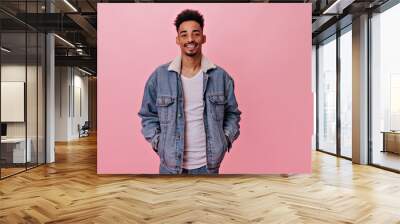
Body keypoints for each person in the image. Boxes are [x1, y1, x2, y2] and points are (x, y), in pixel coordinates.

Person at [138, 9, 241, 174]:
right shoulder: (159, 76)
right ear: (177, 39)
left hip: (208, 166)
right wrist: (160, 143)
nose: (190, 39)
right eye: (184, 35)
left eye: (196, 33)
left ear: (203, 38)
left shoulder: (221, 77)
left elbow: (232, 114)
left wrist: (224, 140)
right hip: (170, 167)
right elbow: (147, 115)